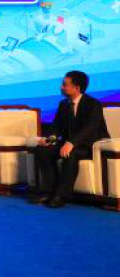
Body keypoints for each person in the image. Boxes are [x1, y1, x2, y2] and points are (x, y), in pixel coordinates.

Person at [30, 71, 109, 208]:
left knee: (70, 153)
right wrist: (49, 139)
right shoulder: (64, 104)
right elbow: (57, 127)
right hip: (69, 143)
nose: (61, 87)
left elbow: (90, 128)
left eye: (64, 84)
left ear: (77, 88)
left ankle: (61, 195)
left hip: (90, 145)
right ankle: (48, 191)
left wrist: (72, 143)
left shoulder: (93, 104)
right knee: (42, 150)